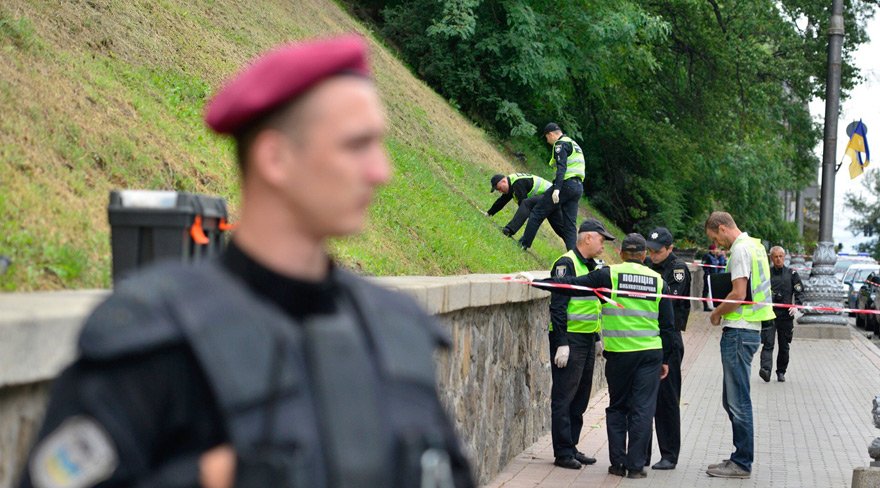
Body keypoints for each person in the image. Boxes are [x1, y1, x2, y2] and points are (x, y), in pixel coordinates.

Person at [19, 36, 474, 488]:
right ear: (275, 158)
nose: (382, 171)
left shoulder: (397, 332)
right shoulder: (155, 339)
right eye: (357, 145)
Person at [531, 233, 673, 479]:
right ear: (644, 255)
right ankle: (636, 467)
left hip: (619, 354)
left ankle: (617, 464)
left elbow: (570, 286)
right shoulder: (658, 280)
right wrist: (666, 360)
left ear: (620, 253)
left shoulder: (609, 274)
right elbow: (668, 325)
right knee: (642, 409)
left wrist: (533, 281)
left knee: (618, 408)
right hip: (650, 354)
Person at [704, 211, 775, 479]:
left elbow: (738, 293)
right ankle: (739, 456)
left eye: (715, 238)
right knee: (732, 398)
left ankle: (742, 462)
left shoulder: (741, 250)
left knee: (738, 400)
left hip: (740, 329)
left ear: (722, 228)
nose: (717, 245)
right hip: (749, 329)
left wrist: (716, 312)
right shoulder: (755, 246)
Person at [546, 219, 616, 469]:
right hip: (570, 340)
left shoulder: (592, 266)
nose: (603, 245)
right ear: (588, 238)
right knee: (564, 397)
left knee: (580, 398)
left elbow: (594, 304)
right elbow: (558, 304)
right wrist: (562, 343)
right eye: (601, 239)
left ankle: (572, 446)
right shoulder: (566, 263)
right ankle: (563, 452)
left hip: (586, 339)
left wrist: (597, 338)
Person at [644, 227, 691, 470]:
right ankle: (641, 455)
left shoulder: (678, 270)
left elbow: (668, 301)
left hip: (669, 339)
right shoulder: (648, 266)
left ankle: (669, 455)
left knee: (667, 400)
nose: (652, 255)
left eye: (657, 251)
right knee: (644, 399)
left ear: (670, 249)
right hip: (647, 336)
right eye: (649, 250)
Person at [518, 123, 585, 251]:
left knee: (537, 212)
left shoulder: (560, 144)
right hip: (578, 188)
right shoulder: (574, 144)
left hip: (565, 185)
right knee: (570, 226)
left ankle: (524, 244)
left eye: (547, 137)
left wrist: (557, 189)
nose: (547, 141)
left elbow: (562, 168)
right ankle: (574, 258)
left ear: (551, 134)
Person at [759, 246, 804, 383]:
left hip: (785, 316)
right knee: (768, 343)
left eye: (780, 256)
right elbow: (759, 291)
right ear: (771, 258)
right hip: (769, 314)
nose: (778, 259)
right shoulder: (766, 273)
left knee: (784, 346)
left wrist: (796, 305)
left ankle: (781, 372)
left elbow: (800, 291)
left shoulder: (792, 274)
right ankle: (766, 370)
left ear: (784, 257)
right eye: (775, 256)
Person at [486, 172, 562, 238]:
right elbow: (501, 201)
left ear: (503, 181)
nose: (500, 191)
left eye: (499, 188)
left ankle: (509, 230)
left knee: (526, 206)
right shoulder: (512, 183)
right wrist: (488, 213)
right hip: (550, 196)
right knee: (561, 228)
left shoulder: (517, 184)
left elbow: (524, 208)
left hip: (552, 195)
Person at [701, 244, 727, 311]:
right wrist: (708, 275)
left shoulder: (714, 257)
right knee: (706, 291)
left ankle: (715, 305)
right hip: (708, 276)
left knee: (713, 291)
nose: (716, 250)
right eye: (715, 249)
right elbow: (704, 266)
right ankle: (705, 306)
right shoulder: (707, 256)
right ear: (712, 250)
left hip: (714, 276)